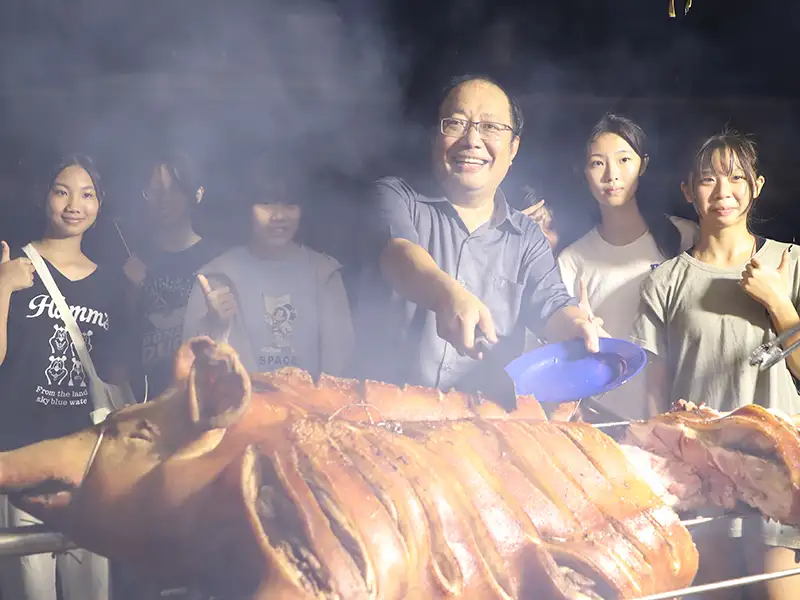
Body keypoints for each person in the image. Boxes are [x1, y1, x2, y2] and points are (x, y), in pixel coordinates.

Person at [355, 74, 605, 401]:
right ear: (435, 138)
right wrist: (446, 294)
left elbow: (552, 303)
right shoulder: (397, 197)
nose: (472, 140)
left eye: (490, 127)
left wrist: (576, 326)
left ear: (513, 148)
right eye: (456, 123)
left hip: (481, 428)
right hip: (383, 412)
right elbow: (399, 254)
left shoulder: (527, 236)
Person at [631, 130, 800, 600]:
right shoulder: (665, 282)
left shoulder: (790, 263)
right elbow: (653, 399)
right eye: (708, 179)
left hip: (779, 468)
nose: (723, 192)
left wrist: (779, 305)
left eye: (736, 178)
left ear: (758, 185)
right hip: (702, 474)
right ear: (688, 190)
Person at [0, 155, 131, 600]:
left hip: (85, 462)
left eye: (87, 193)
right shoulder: (14, 267)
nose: (74, 204)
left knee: (90, 589)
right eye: (62, 190)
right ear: (44, 197)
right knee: (28, 588)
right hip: (23, 456)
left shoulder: (112, 285)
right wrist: (1, 288)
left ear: (100, 205)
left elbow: (118, 375)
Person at [557, 114, 698, 420]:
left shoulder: (685, 237)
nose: (612, 175)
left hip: (682, 415)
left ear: (643, 165)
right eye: (597, 163)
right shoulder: (572, 260)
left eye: (624, 160)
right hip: (606, 418)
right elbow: (560, 351)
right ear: (583, 172)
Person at [182, 164, 354, 378]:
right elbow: (189, 372)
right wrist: (215, 328)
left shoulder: (324, 274)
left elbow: (343, 369)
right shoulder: (215, 279)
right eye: (266, 203)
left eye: (290, 204)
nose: (279, 216)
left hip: (311, 409)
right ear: (247, 208)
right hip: (241, 409)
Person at [122, 153, 223, 400]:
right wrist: (128, 292)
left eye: (173, 189)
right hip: (143, 401)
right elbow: (117, 339)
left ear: (196, 194)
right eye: (154, 190)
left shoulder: (218, 261)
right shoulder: (133, 259)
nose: (163, 199)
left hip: (200, 398)